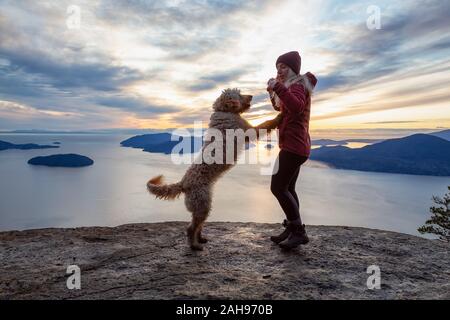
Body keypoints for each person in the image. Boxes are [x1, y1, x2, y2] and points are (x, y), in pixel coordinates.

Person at [266, 51, 317, 249]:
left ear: (293, 69)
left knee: (277, 187)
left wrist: (277, 87)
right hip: (297, 146)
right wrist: (273, 93)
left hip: (293, 147)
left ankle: (299, 232)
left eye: (284, 67)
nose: (279, 70)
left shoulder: (297, 85)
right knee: (288, 188)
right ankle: (292, 227)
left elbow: (296, 107)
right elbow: (283, 109)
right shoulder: (293, 86)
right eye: (277, 67)